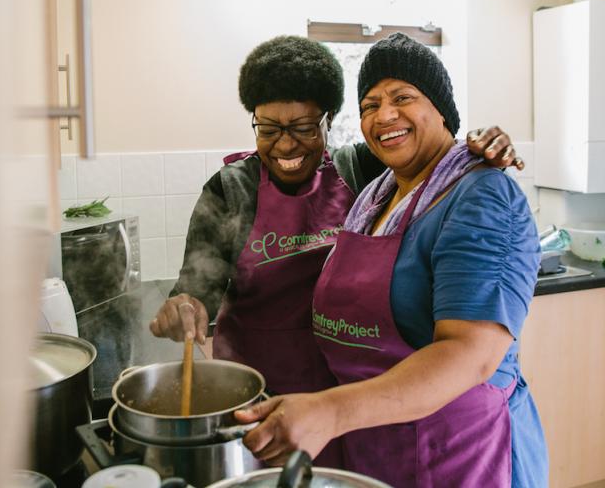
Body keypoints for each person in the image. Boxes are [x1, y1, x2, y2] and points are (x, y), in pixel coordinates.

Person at [148, 35, 523, 465]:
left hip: (362, 397)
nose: (286, 145)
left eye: (303, 128)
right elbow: (196, 288)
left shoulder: (363, 172)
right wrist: (185, 307)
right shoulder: (230, 190)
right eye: (269, 130)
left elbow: (432, 152)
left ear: (328, 121)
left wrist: (481, 142)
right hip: (260, 395)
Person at [234, 33, 548, 487]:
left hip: (462, 454)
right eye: (369, 104)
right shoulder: (375, 197)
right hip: (379, 447)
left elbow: (470, 355)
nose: (384, 115)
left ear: (441, 109)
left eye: (403, 97)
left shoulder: (482, 197)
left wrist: (333, 410)